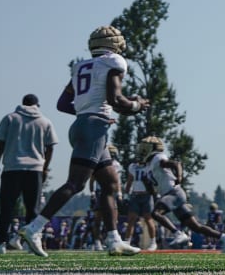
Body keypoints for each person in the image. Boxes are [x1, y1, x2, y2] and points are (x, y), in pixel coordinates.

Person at [19, 25, 150, 258]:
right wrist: (137, 104)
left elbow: (63, 103)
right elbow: (116, 99)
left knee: (110, 184)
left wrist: (87, 112)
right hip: (94, 128)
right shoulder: (114, 62)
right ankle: (34, 227)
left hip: (83, 124)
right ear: (115, 43)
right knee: (76, 183)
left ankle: (114, 240)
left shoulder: (81, 66)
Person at [135, 136, 225, 253]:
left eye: (144, 147)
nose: (142, 150)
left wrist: (179, 177)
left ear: (153, 148)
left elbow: (176, 164)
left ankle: (178, 234)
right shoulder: (148, 166)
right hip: (171, 195)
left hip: (174, 193)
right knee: (196, 226)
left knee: (156, 213)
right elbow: (152, 190)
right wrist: (147, 184)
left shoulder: (158, 158)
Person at [0, 93, 58, 254]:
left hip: (12, 168)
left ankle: (1, 244)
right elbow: (51, 147)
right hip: (34, 169)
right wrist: (45, 167)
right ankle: (31, 245)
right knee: (32, 209)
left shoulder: (10, 118)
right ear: (37, 105)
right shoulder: (45, 121)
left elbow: (0, 142)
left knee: (6, 208)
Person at [88, 144, 123, 251]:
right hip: (100, 191)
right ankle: (97, 241)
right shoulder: (99, 163)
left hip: (112, 193)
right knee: (98, 219)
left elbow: (118, 181)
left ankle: (111, 240)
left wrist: (119, 193)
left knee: (113, 220)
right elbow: (92, 179)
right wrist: (93, 192)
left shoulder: (117, 165)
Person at [124, 158, 158, 251]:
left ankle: (153, 242)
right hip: (135, 194)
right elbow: (129, 181)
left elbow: (154, 180)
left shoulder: (149, 166)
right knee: (131, 219)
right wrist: (126, 195)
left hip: (146, 195)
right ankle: (127, 241)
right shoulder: (133, 166)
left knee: (148, 219)